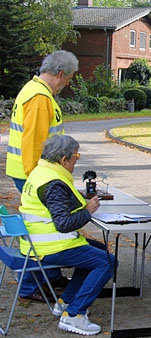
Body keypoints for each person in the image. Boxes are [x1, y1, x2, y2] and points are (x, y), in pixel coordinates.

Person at [19, 135, 115, 336]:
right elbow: (63, 223)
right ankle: (74, 315)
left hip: (37, 242)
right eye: (76, 157)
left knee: (98, 251)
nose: (77, 161)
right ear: (64, 159)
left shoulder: (41, 171)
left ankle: (66, 302)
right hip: (51, 246)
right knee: (107, 261)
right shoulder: (54, 183)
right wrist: (87, 211)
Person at [6, 50, 78, 301]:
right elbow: (35, 144)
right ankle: (31, 285)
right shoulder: (39, 98)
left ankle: (51, 277)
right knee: (40, 228)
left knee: (42, 226)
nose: (67, 84)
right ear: (60, 74)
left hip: (32, 174)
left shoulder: (35, 91)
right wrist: (40, 180)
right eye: (68, 79)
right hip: (35, 175)